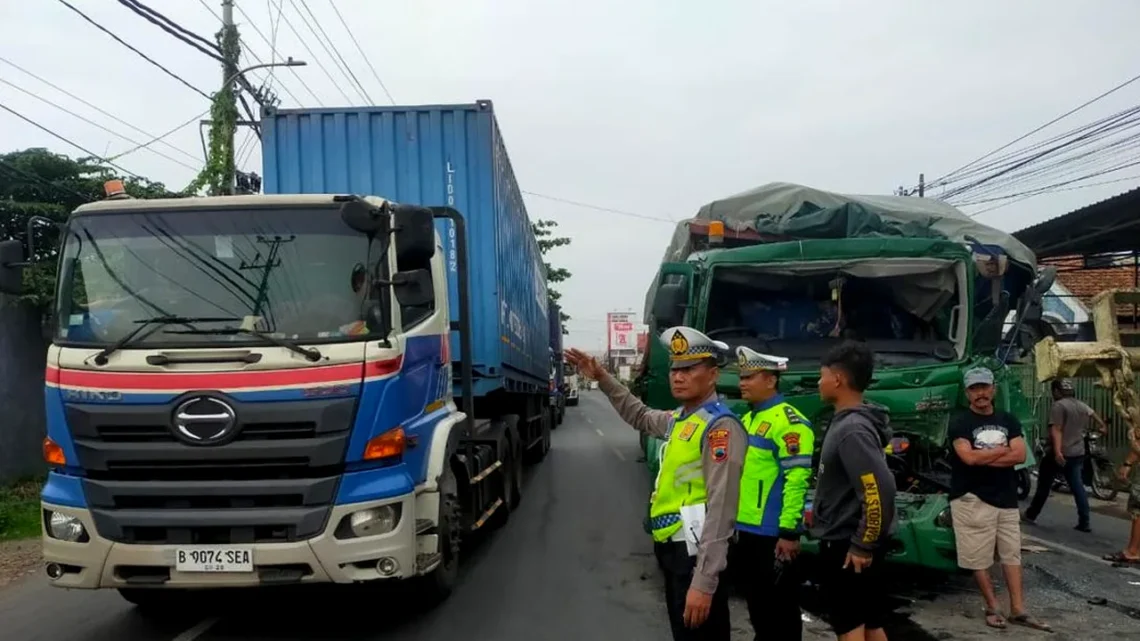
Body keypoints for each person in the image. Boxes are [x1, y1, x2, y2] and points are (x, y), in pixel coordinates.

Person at [565, 327, 746, 641]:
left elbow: (721, 511)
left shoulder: (720, 427)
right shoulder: (681, 419)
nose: (678, 376)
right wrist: (603, 378)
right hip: (673, 551)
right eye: (675, 369)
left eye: (689, 369)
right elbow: (640, 415)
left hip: (695, 556)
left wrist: (704, 582)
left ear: (713, 375)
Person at [949, 367, 1050, 632]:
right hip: (971, 498)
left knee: (1012, 554)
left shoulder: (1009, 419)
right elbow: (967, 458)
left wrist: (986, 455)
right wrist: (1003, 450)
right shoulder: (960, 422)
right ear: (967, 393)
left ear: (993, 389)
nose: (980, 394)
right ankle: (993, 606)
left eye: (984, 387)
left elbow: (1019, 456)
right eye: (974, 389)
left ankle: (1018, 609)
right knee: (978, 558)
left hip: (1006, 498)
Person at [811, 341, 896, 641]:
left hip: (847, 547)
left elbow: (879, 490)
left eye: (822, 375)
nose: (818, 382)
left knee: (850, 627)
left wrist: (862, 544)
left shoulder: (852, 430)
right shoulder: (849, 423)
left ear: (838, 379)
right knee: (871, 623)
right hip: (851, 542)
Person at [732, 346, 813, 641]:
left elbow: (797, 479)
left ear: (771, 380)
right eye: (741, 376)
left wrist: (789, 532)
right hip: (746, 531)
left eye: (749, 376)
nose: (742, 382)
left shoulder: (789, 423)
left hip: (772, 535)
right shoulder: (747, 419)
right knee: (758, 610)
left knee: (780, 615)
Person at [1024, 378, 1108, 532]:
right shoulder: (1081, 405)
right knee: (1077, 486)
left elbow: (1056, 429)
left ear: (1057, 391)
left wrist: (1057, 452)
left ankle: (1031, 515)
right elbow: (1095, 416)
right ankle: (1084, 521)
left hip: (1060, 453)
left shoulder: (1058, 406)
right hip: (1077, 453)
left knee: (1044, 485)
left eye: (1053, 391)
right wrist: (1102, 426)